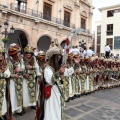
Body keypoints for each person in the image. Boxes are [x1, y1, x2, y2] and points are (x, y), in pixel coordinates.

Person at [44, 42, 65, 120]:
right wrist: (58, 73)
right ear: (53, 57)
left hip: (57, 92)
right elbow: (50, 80)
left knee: (57, 109)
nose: (59, 57)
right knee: (52, 111)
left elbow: (66, 73)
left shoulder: (56, 68)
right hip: (52, 93)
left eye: (60, 55)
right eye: (57, 55)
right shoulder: (47, 68)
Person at [8, 43, 25, 115]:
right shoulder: (8, 60)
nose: (18, 53)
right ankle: (12, 110)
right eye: (16, 52)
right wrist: (13, 74)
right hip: (12, 81)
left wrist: (20, 69)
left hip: (19, 80)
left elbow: (23, 68)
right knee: (13, 95)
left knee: (19, 95)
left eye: (18, 52)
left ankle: (19, 109)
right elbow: (7, 72)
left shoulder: (20, 60)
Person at [23, 46, 41, 110]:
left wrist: (32, 67)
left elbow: (37, 67)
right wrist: (24, 73)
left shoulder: (34, 58)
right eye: (27, 53)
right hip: (25, 78)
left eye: (30, 53)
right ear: (25, 53)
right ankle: (24, 105)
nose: (28, 54)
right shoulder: (23, 59)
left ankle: (32, 104)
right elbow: (21, 67)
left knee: (32, 91)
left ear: (32, 54)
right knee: (25, 92)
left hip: (32, 77)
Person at [0, 46, 10, 120]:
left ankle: (2, 114)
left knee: (3, 101)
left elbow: (8, 74)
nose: (1, 55)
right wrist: (3, 73)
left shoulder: (5, 64)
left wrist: (3, 73)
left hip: (3, 86)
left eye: (2, 54)